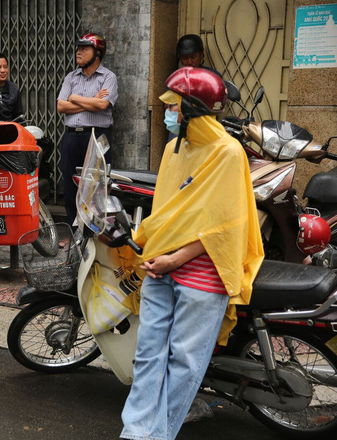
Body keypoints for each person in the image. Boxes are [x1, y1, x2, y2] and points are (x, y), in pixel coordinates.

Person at [119, 67, 264, 440]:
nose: (168, 113)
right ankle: (135, 433)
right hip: (159, 267)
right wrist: (145, 244)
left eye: (174, 106)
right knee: (148, 355)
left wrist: (175, 258)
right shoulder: (174, 148)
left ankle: (159, 435)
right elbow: (166, 211)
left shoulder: (229, 153)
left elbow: (227, 226)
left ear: (192, 109)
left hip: (203, 273)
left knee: (184, 363)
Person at [57, 32, 118, 226]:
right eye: (78, 48)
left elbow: (102, 106)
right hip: (71, 137)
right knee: (70, 184)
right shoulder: (71, 77)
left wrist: (74, 98)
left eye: (84, 48)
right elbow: (60, 106)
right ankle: (74, 231)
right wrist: (91, 101)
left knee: (97, 185)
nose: (78, 52)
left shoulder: (108, 77)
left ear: (97, 52)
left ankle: (93, 231)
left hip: (97, 136)